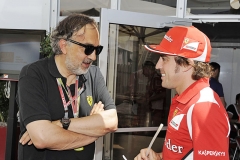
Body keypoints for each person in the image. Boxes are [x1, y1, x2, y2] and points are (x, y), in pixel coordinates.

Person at [17, 14, 118, 160]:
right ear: (64, 46)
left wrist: (62, 123)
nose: (94, 57)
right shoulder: (33, 74)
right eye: (89, 48)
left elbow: (111, 121)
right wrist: (94, 132)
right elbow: (42, 138)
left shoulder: (93, 74)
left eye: (97, 49)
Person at [134, 26, 230, 160]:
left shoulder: (204, 108)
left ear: (187, 64)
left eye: (164, 58)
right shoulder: (184, 100)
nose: (157, 66)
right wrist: (159, 157)